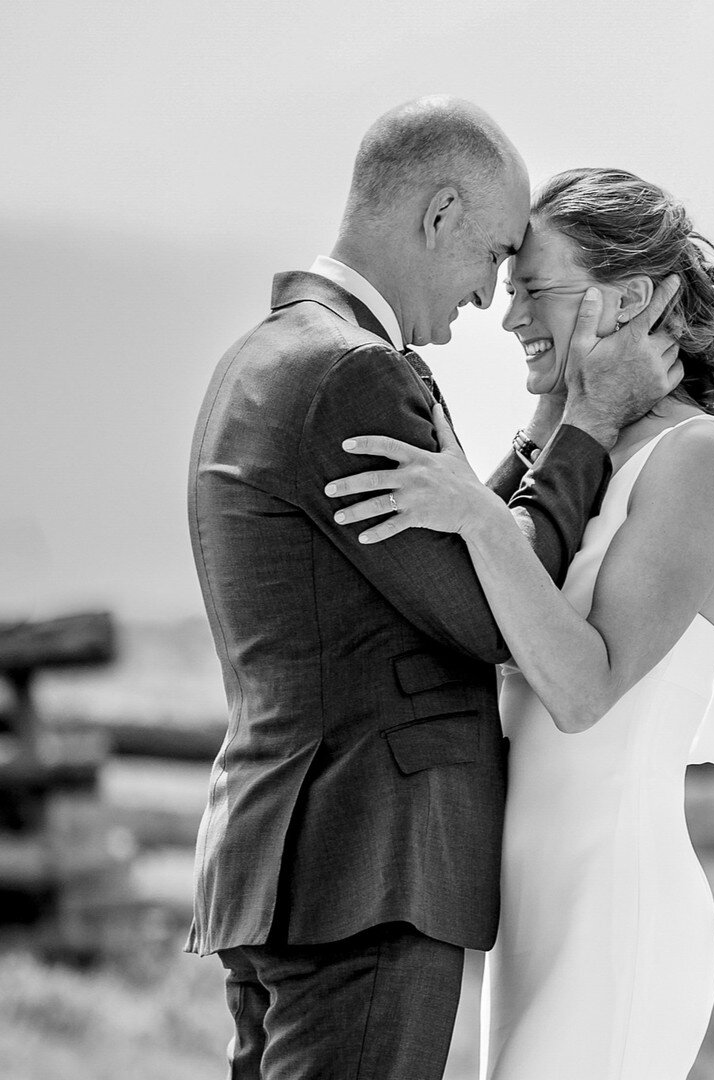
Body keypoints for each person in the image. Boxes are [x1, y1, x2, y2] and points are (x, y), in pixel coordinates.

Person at [186, 104, 681, 1080]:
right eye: (496, 254)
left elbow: (442, 557)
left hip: (295, 862)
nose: (492, 299)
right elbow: (498, 597)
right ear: (442, 212)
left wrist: (535, 437)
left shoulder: (269, 355)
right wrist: (584, 419)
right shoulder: (352, 373)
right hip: (367, 869)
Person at [327, 167, 714, 1079]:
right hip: (534, 911)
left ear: (631, 298)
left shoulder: (697, 459)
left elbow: (583, 691)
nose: (508, 316)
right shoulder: (589, 451)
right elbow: (476, 602)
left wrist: (470, 508)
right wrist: (556, 418)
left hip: (615, 908)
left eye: (535, 288)